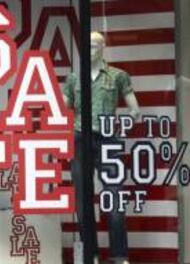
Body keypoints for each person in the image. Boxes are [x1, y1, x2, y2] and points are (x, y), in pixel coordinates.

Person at [63, 32, 140, 264]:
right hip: (80, 138)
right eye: (88, 46)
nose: (92, 49)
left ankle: (119, 255)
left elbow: (135, 109)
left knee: (115, 197)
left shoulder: (118, 76)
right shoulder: (74, 79)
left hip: (108, 139)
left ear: (104, 47)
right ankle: (91, 254)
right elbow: (62, 109)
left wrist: (125, 121)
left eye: (96, 45)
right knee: (82, 199)